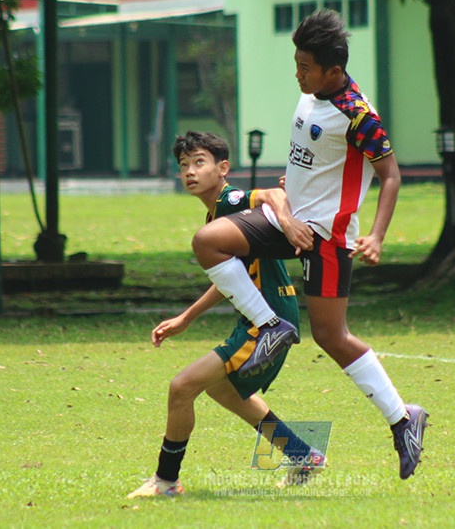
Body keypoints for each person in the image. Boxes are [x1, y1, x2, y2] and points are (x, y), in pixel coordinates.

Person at [190, 9, 428, 480]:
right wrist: (293, 187)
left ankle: (404, 420)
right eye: (296, 63)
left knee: (331, 337)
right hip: (286, 222)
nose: (297, 73)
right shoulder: (312, 94)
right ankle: (270, 325)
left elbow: (391, 176)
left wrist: (376, 235)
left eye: (305, 67)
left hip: (327, 238)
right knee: (208, 241)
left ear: (333, 71)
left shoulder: (359, 117)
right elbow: (314, 157)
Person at [128, 131, 324, 499]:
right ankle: (302, 455)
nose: (189, 171)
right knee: (224, 391)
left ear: (223, 168)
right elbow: (229, 281)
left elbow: (272, 194)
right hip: (267, 317)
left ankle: (166, 481)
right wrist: (187, 318)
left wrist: (287, 219)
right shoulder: (216, 215)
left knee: (181, 387)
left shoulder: (231, 199)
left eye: (199, 162)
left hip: (267, 323)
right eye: (183, 165)